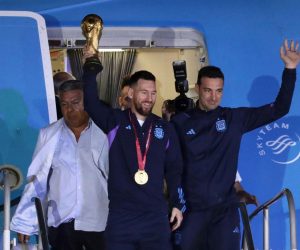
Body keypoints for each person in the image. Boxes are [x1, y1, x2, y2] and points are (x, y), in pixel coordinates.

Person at [171, 40, 300, 250]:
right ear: (197, 89)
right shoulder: (179, 123)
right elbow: (171, 167)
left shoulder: (234, 118)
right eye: (208, 91)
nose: (214, 97)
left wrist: (290, 69)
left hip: (224, 213)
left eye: (219, 91)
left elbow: (280, 109)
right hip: (192, 212)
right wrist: (175, 204)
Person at [83, 65, 185, 250]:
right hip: (122, 217)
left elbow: (174, 169)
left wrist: (177, 204)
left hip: (156, 218)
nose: (149, 99)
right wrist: (90, 70)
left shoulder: (165, 128)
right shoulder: (115, 121)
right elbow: (90, 104)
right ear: (130, 92)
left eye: (153, 93)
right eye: (144, 92)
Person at [11, 80, 109, 250]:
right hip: (62, 223)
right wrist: (25, 222)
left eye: (75, 102)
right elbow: (37, 180)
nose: (70, 109)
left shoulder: (105, 133)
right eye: (64, 104)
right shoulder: (48, 135)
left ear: (87, 101)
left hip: (99, 221)